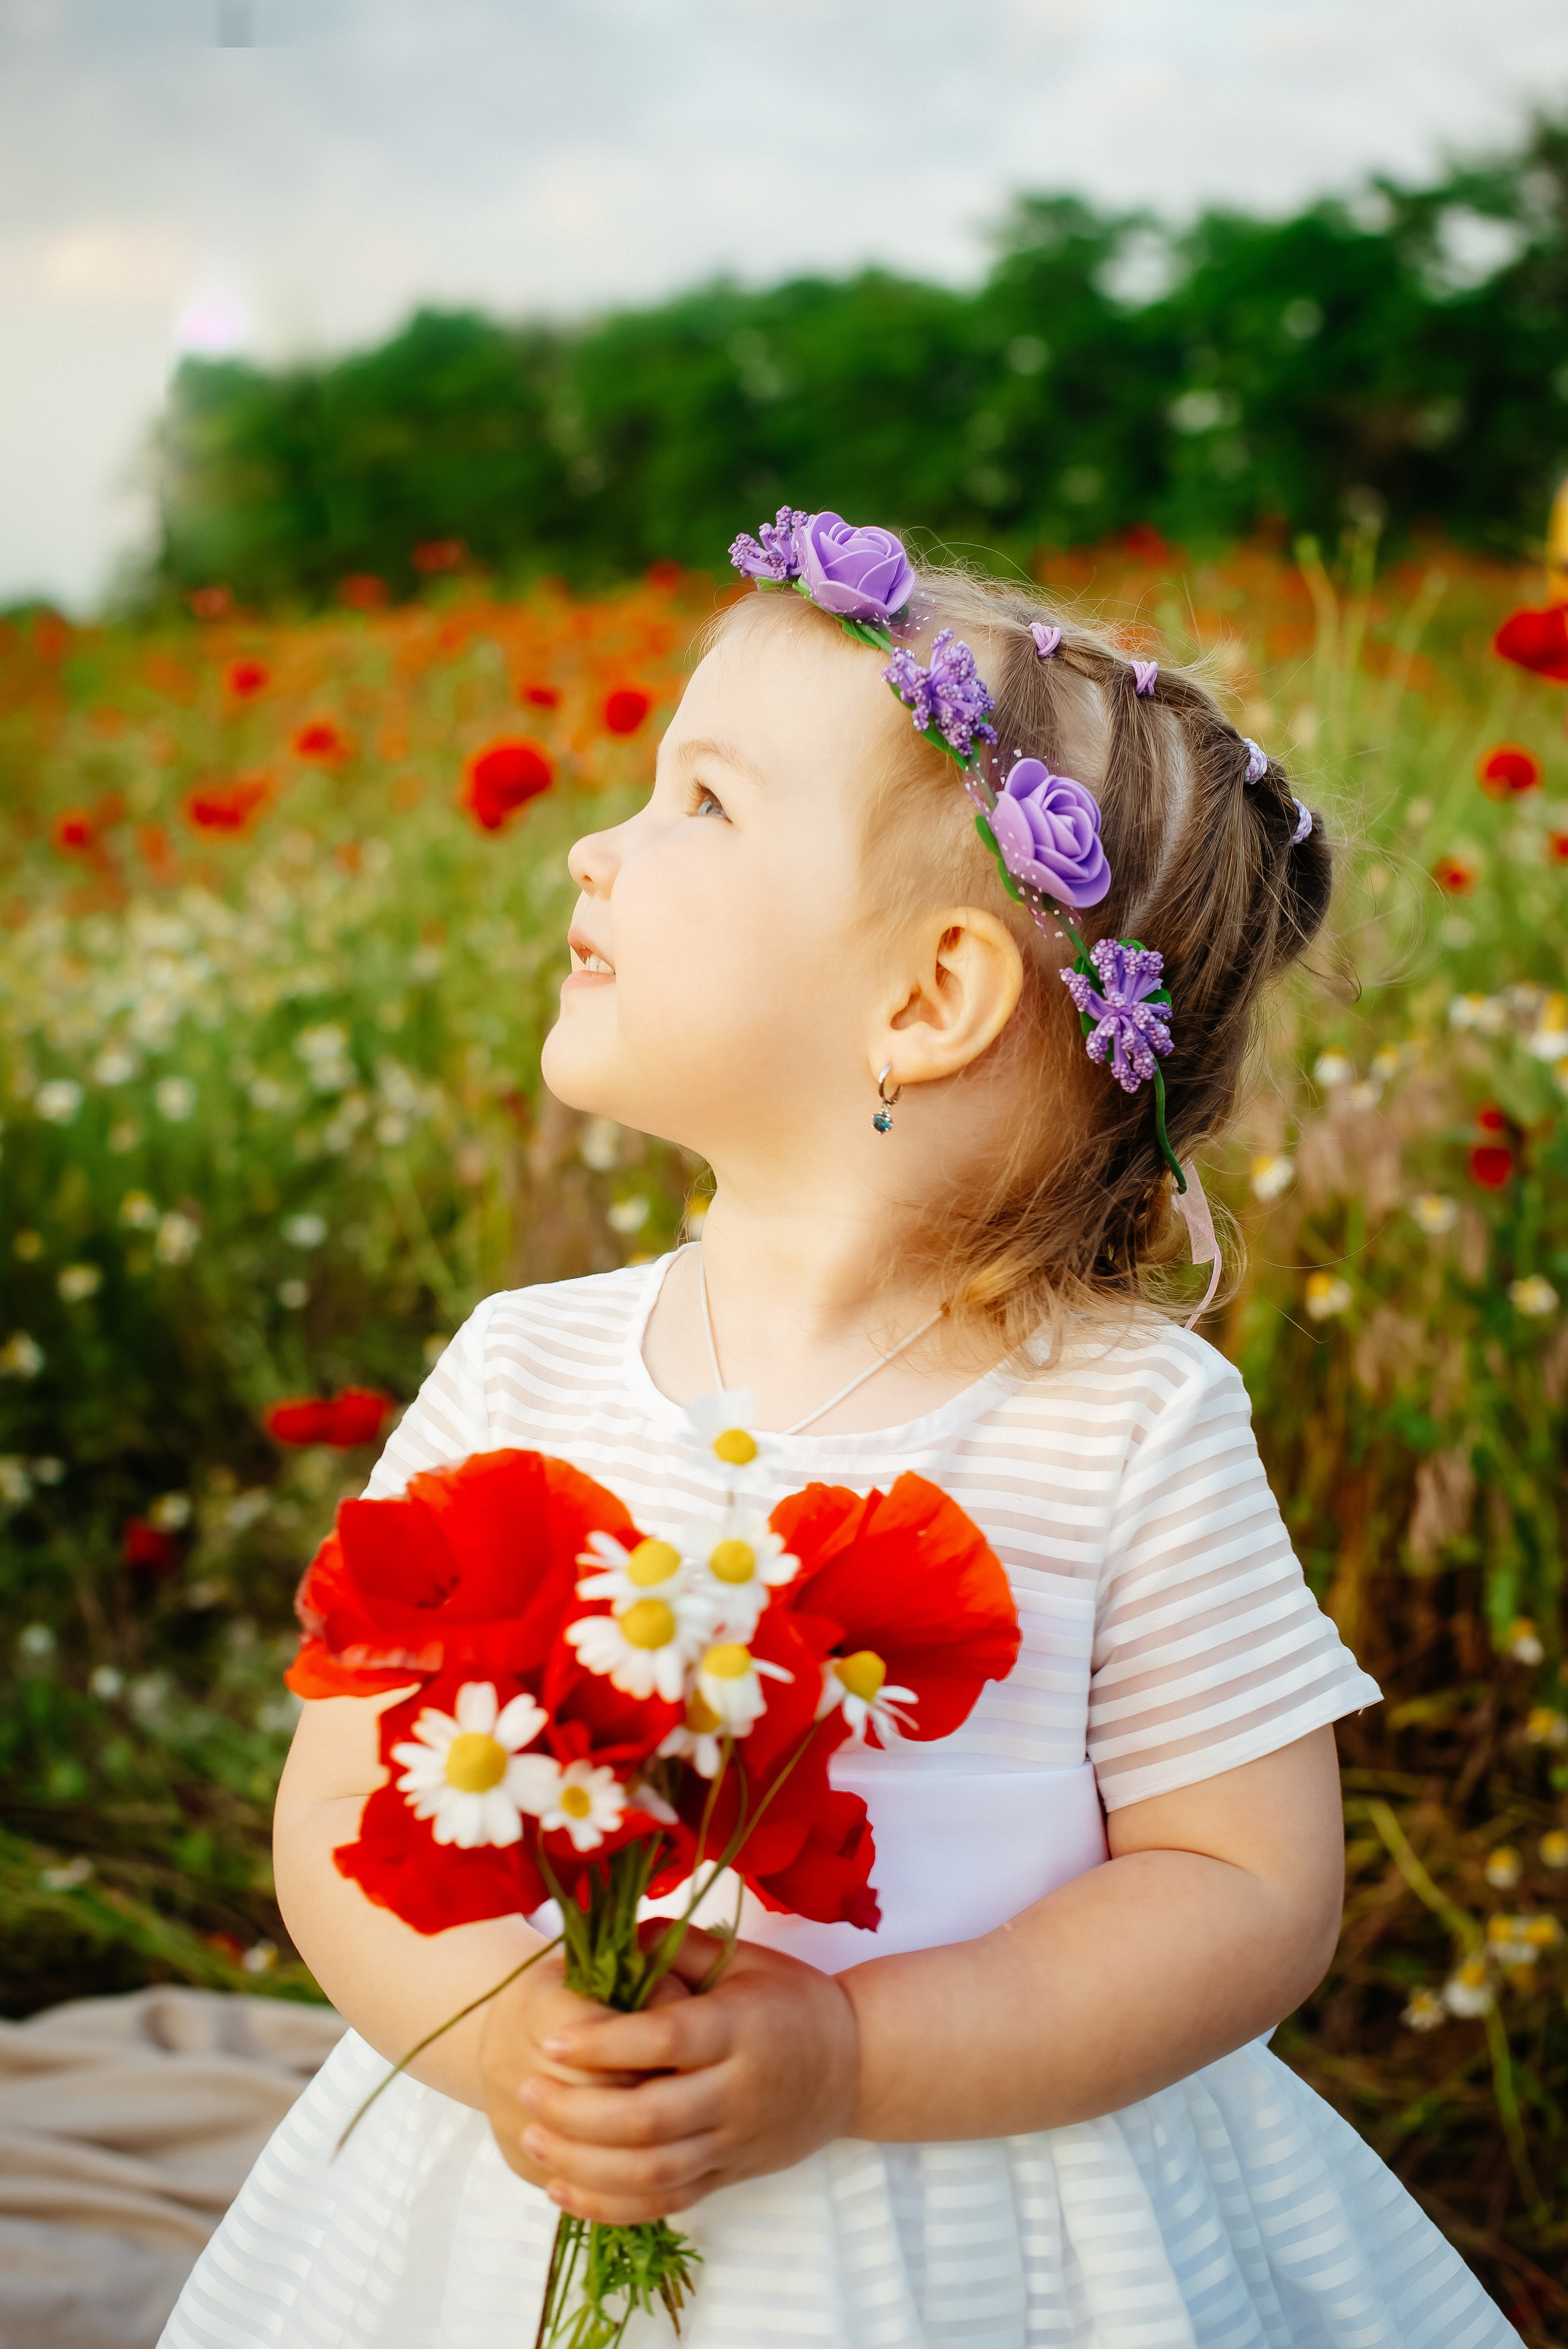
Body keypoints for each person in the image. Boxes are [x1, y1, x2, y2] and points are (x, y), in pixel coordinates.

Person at [162, 516, 1520, 2349]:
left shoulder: (1120, 1423)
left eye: (702, 803)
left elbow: (1245, 1885)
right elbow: (341, 1800)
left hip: (991, 2232)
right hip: (522, 2192)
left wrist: (857, 2053)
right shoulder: (522, 1367)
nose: (595, 845)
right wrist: (501, 2039)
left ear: (929, 998)